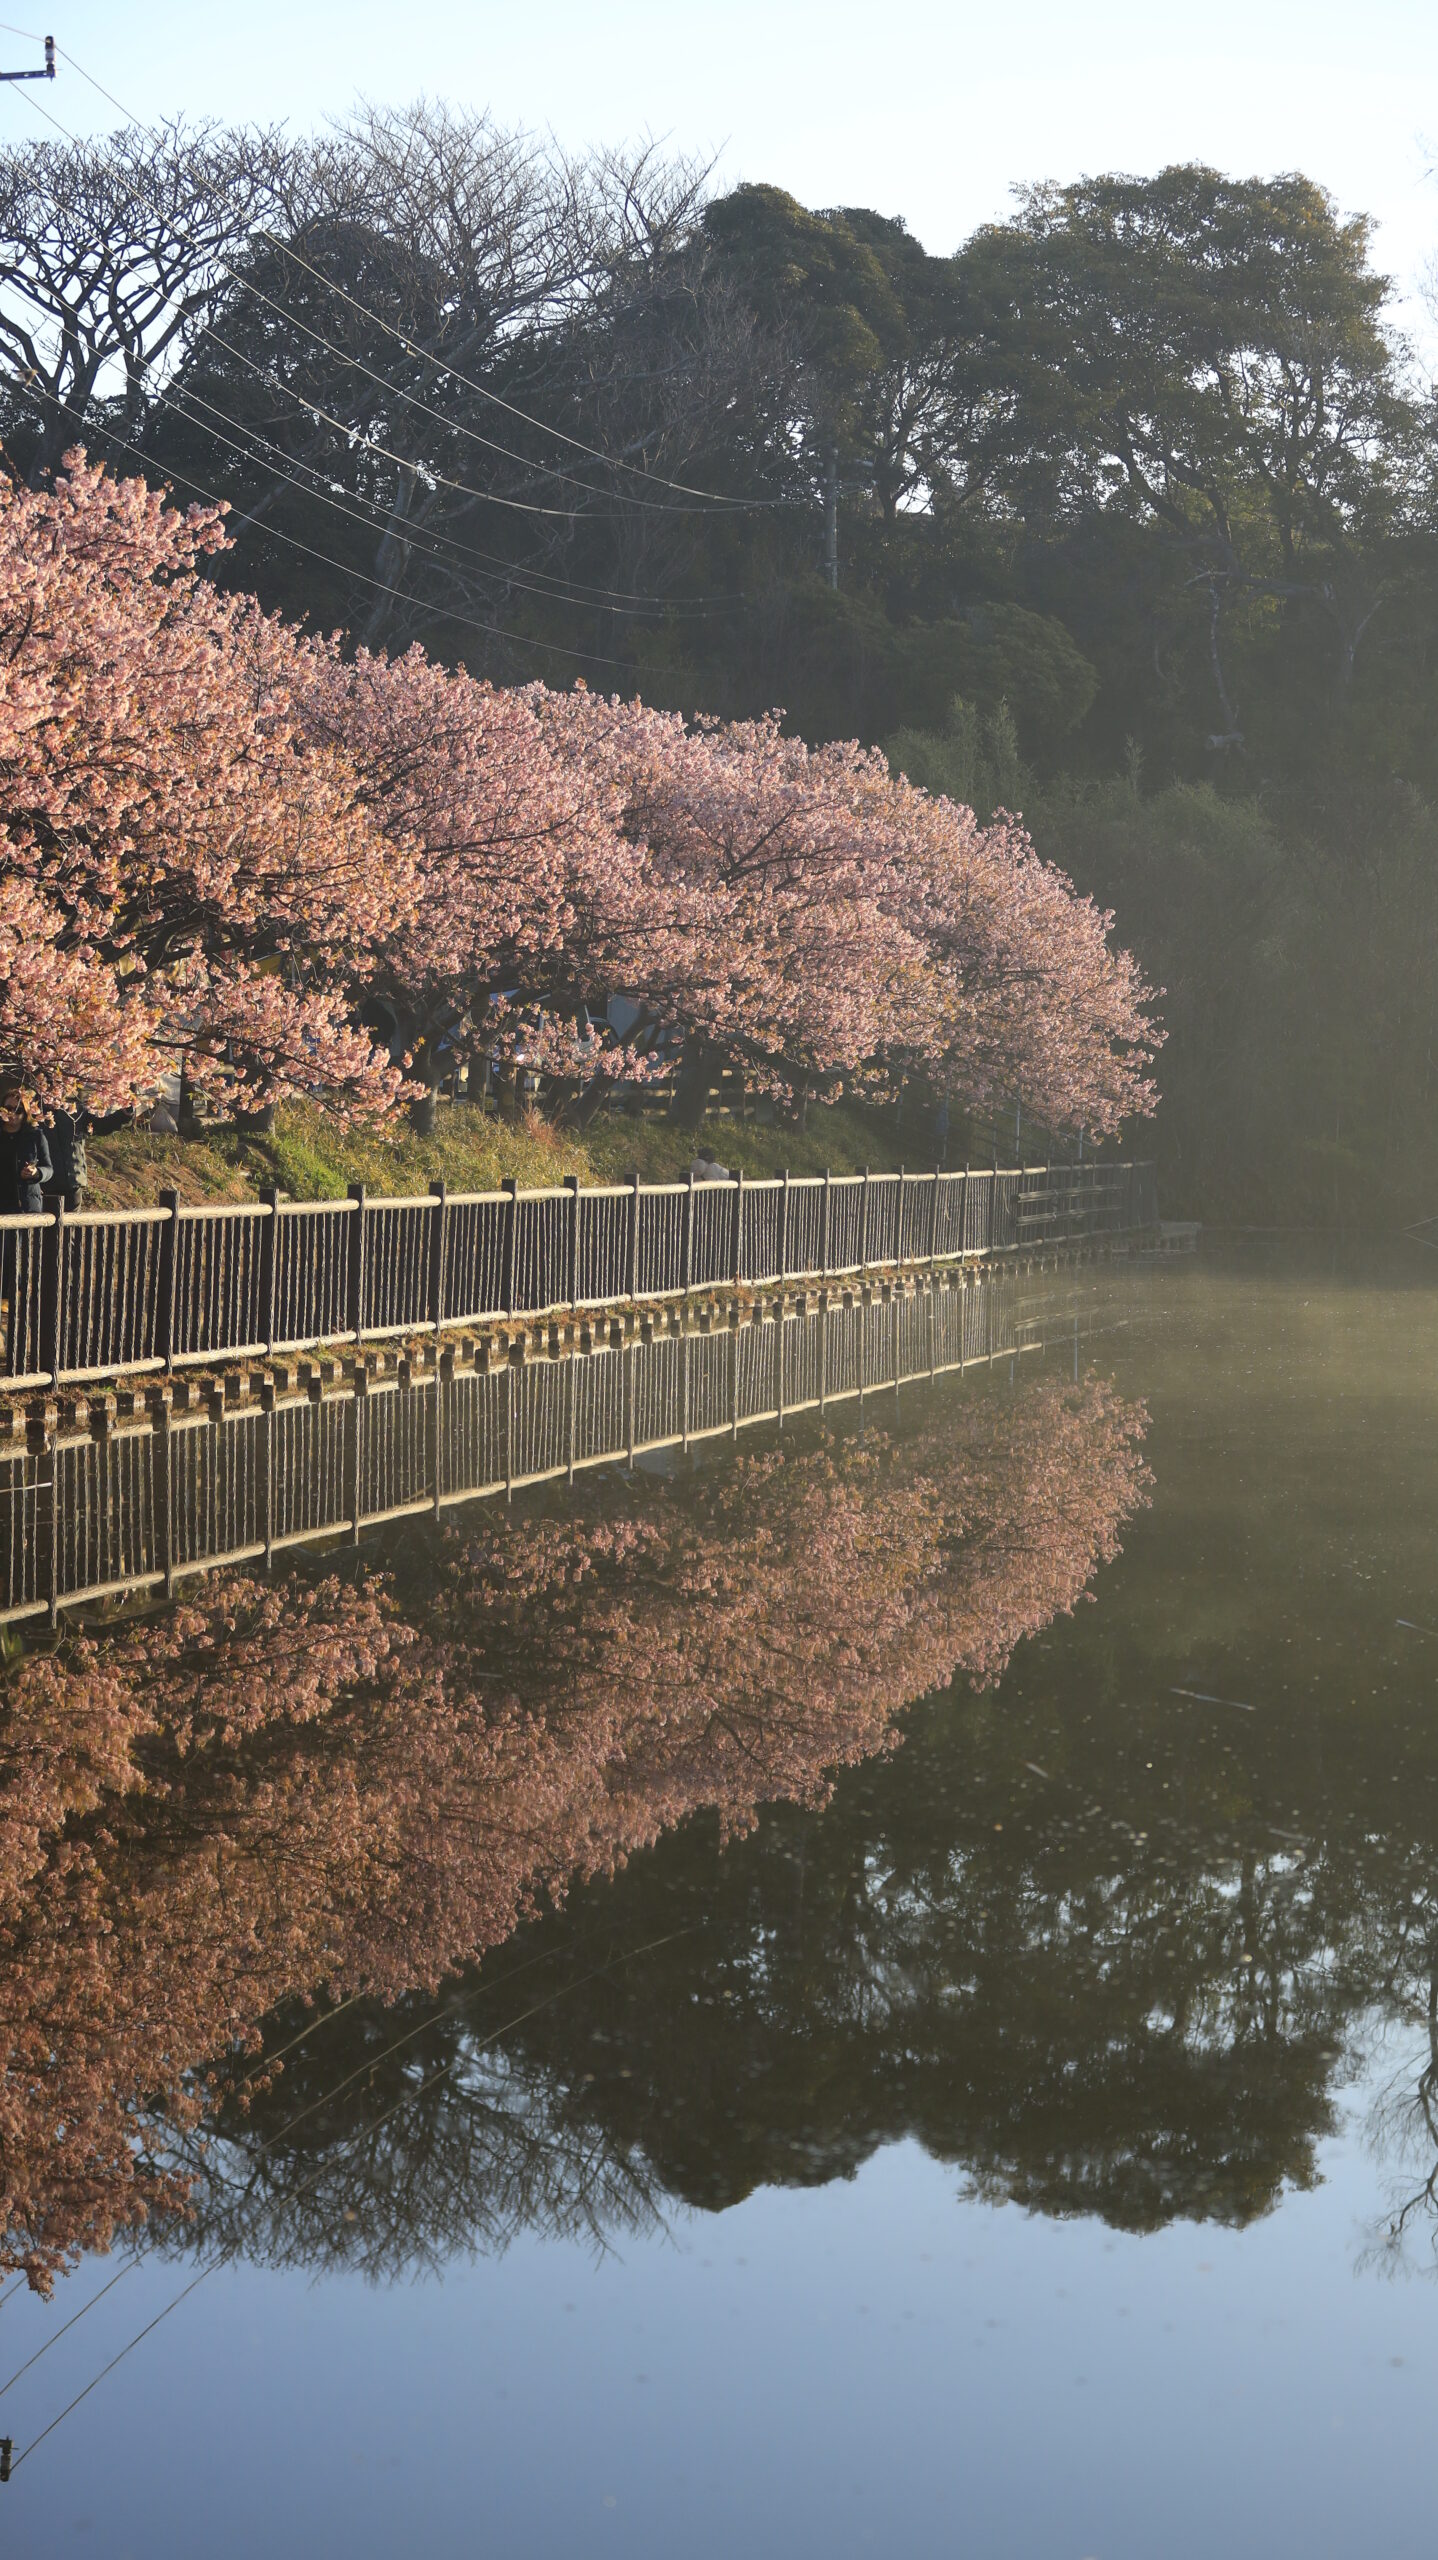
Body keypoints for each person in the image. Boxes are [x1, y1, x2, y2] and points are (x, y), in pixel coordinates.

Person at [0, 1089, 52, 1214]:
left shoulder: (35, 1135)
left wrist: (37, 1173)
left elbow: (48, 1168)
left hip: (26, 1206)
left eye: (18, 1110)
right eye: (8, 1109)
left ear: (25, 1113)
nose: (12, 1113)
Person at [45, 1106, 88, 1214]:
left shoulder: (76, 1110)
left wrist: (126, 1112)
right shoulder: (37, 1110)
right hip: (47, 1183)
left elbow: (101, 1125)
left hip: (73, 1180)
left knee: (71, 1225)